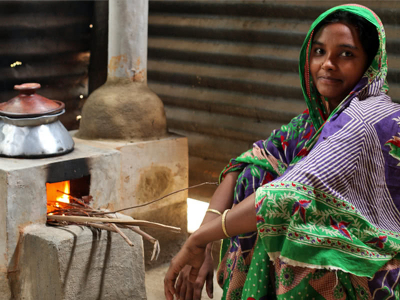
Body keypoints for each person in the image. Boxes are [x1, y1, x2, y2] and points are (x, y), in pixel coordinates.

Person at [165, 4, 400, 300]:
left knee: (286, 218)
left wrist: (198, 240)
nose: (328, 63)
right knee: (255, 175)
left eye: (346, 54)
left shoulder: (366, 119)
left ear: (370, 63)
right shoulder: (309, 124)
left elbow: (288, 194)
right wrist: (203, 239)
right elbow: (244, 163)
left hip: (372, 263)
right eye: (319, 52)